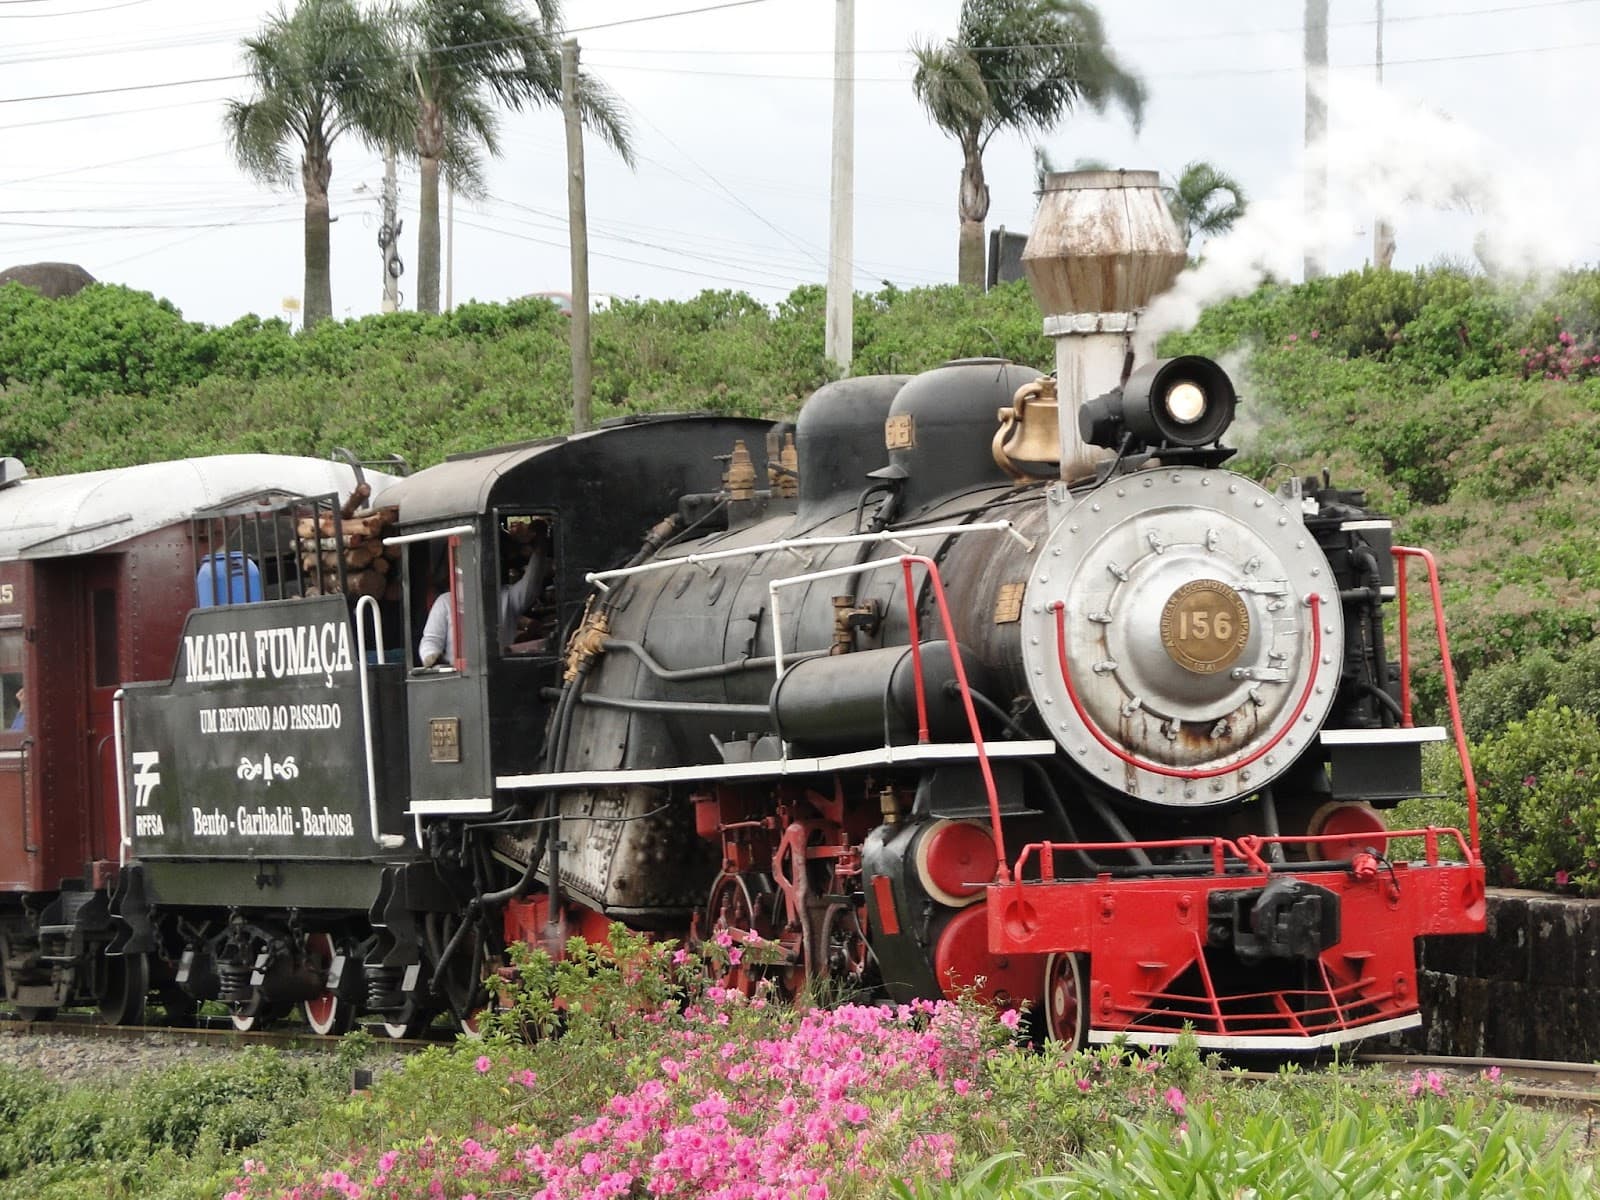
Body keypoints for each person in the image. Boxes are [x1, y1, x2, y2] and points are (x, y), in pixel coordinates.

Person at [418, 531, 551, 668]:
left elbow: (532, 585)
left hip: (499, 671)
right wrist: (432, 658)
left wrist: (539, 548)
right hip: (458, 675)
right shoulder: (445, 602)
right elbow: (431, 639)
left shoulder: (506, 596)